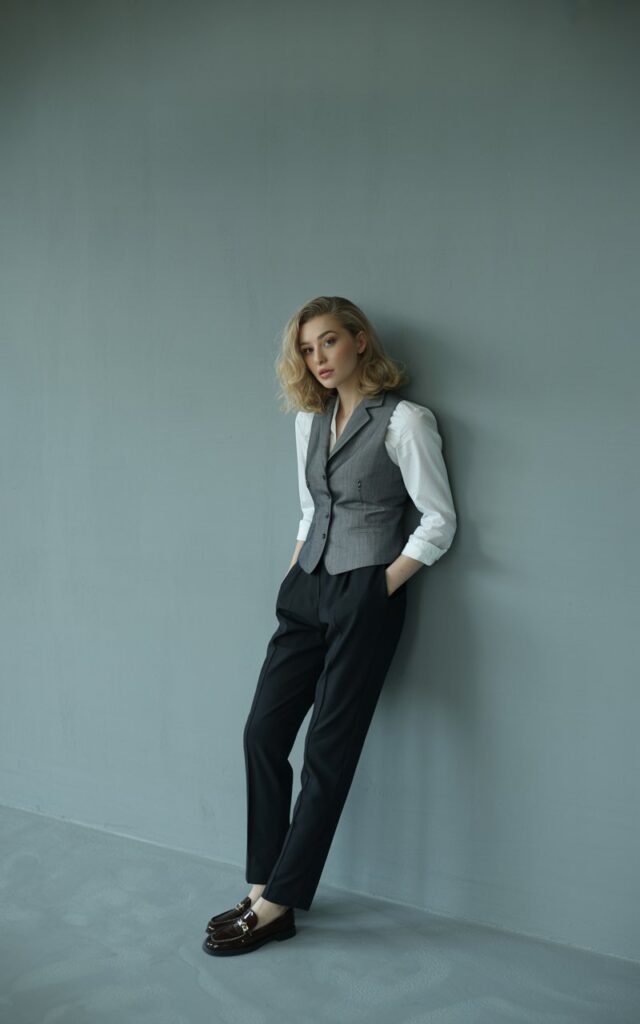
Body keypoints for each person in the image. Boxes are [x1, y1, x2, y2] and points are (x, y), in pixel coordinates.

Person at [202, 295, 457, 956]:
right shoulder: (308, 421)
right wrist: (295, 575)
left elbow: (439, 520)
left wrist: (377, 589)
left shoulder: (405, 421)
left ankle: (279, 905)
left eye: (329, 342)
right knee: (263, 734)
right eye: (307, 348)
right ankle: (262, 885)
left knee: (326, 754)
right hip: (306, 590)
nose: (318, 358)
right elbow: (309, 508)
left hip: (364, 594)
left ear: (360, 341)